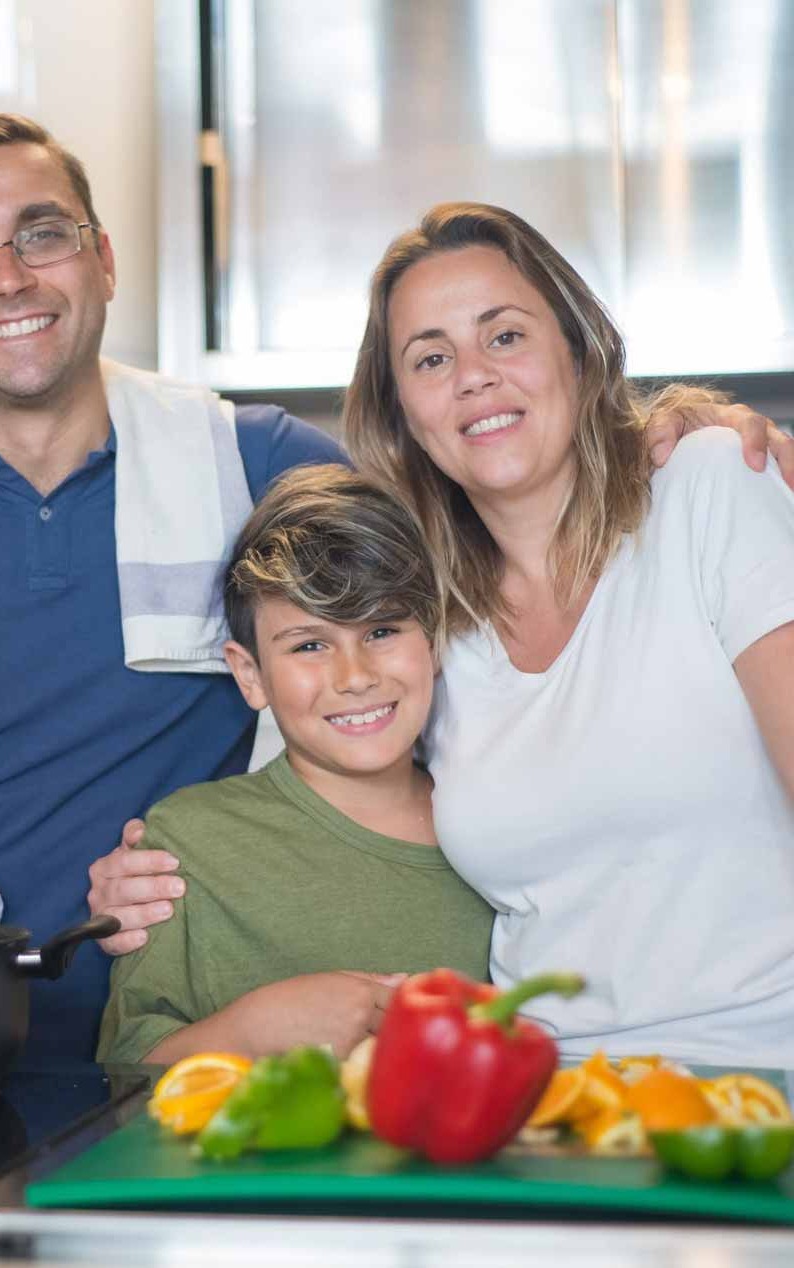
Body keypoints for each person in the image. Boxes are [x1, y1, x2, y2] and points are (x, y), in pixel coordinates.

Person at [0, 112, 789, 1065]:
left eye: (40, 235)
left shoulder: (251, 457)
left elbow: (485, 474)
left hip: (155, 1039)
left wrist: (658, 424)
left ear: (102, 260)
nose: (6, 277)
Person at [336, 202, 794, 1066]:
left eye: (504, 336)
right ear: (404, 414)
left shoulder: (710, 486)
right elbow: (301, 795)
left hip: (764, 1074)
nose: (473, 376)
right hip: (536, 1095)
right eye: (431, 358)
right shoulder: (420, 618)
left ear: (580, 354)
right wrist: (164, 876)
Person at [97, 465, 494, 1065]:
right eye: (310, 645)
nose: (355, 676)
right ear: (249, 674)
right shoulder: (188, 845)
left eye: (383, 630)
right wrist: (250, 1031)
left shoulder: (506, 823)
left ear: (434, 640)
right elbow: (126, 1066)